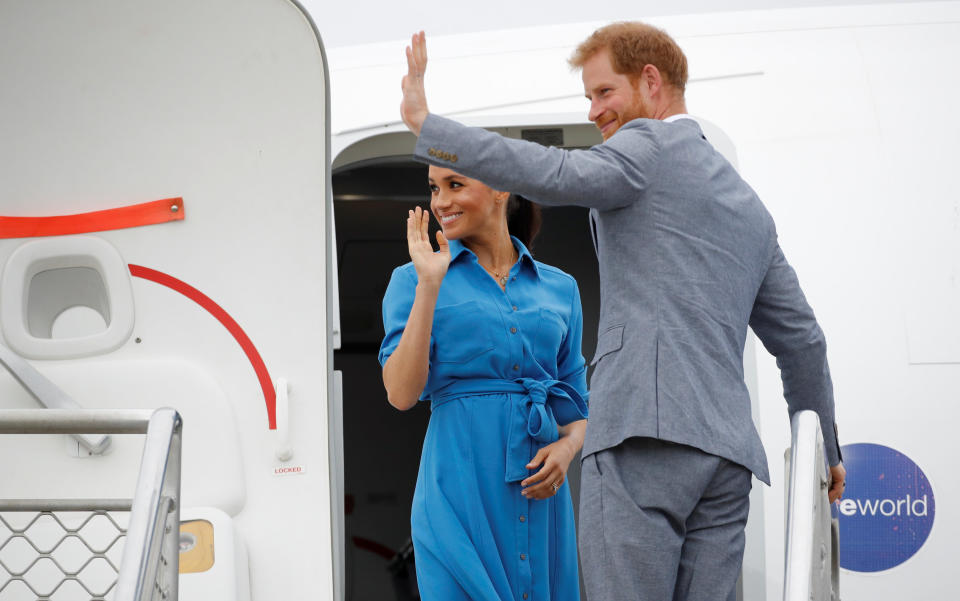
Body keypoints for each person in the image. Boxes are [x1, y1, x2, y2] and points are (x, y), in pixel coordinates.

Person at [398, 24, 847, 601]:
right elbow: (803, 341)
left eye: (604, 92)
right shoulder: (748, 205)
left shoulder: (645, 148)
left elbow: (554, 172)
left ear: (651, 83)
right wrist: (825, 453)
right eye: (589, 97)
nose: (594, 111)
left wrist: (429, 129)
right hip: (727, 460)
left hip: (645, 438)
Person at [379, 165, 589, 601]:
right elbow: (400, 393)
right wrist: (429, 285)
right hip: (455, 492)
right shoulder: (412, 279)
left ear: (500, 188)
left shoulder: (561, 288)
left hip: (540, 495)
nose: (440, 202)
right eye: (434, 189)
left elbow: (578, 409)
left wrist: (567, 451)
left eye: (455, 185)